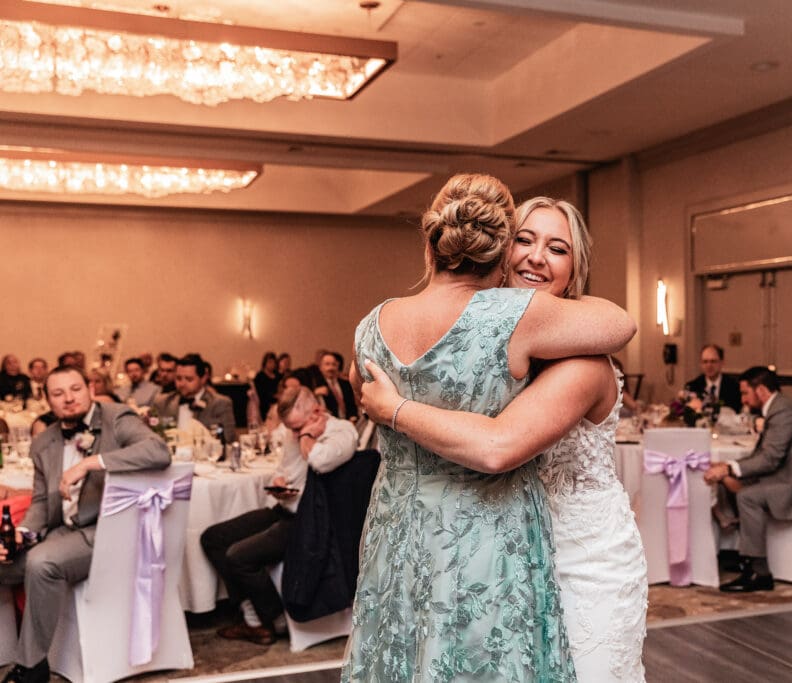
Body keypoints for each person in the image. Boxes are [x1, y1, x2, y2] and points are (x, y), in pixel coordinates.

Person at [342, 173, 635, 680]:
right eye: (523, 239)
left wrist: (393, 408)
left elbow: (498, 446)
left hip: (576, 549)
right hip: (487, 534)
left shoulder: (374, 321)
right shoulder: (510, 326)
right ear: (500, 248)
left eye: (557, 248)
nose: (536, 257)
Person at [0, 365, 171, 683]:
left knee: (41, 562)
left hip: (108, 531)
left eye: (76, 389)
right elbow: (40, 502)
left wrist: (91, 463)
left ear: (90, 388)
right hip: (63, 532)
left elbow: (158, 451)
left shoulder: (116, 418)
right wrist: (22, 534)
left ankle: (31, 666)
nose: (69, 398)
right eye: (58, 393)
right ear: (46, 399)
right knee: (9, 561)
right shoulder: (43, 443)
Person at [200, 386, 358, 645]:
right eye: (291, 429)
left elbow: (320, 461)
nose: (293, 434)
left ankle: (273, 620)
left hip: (311, 522)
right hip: (284, 509)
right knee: (213, 538)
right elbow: (283, 467)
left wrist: (308, 435)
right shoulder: (292, 431)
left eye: (297, 427)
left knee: (238, 556)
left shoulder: (342, 432)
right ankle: (253, 615)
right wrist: (279, 482)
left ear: (317, 411)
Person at [703, 366, 792, 592]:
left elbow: (770, 459)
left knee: (748, 497)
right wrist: (727, 469)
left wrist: (730, 468)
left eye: (745, 393)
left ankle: (759, 572)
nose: (743, 398)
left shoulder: (783, 412)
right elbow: (765, 455)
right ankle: (742, 553)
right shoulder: (778, 408)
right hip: (789, 473)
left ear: (760, 390)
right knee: (730, 485)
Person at [152, 353, 237, 443]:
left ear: (203, 378)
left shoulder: (220, 404)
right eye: (178, 378)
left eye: (189, 379)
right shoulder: (163, 402)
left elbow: (228, 439)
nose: (182, 384)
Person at [298, 351, 357, 421]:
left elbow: (352, 406)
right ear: (320, 367)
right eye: (327, 364)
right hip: (328, 423)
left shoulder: (346, 384)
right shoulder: (316, 385)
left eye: (334, 364)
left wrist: (353, 419)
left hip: (348, 423)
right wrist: (314, 393)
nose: (331, 368)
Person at [684, 344, 742, 413]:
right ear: (701, 364)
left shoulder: (734, 386)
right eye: (705, 362)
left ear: (722, 363)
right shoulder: (692, 387)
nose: (709, 365)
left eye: (713, 361)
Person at [252, 351, 280, 421]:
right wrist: (273, 396)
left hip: (277, 402)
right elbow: (261, 393)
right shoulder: (260, 376)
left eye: (274, 362)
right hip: (265, 404)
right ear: (265, 363)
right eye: (270, 362)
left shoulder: (277, 376)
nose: (272, 365)